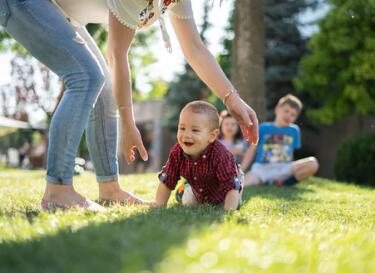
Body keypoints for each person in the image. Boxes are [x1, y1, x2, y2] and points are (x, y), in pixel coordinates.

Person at [0, 0, 258, 210]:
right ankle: (57, 190)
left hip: (60, 11)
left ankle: (110, 189)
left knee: (103, 88)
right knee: (86, 77)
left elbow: (194, 48)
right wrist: (127, 123)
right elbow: (116, 52)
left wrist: (231, 98)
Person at [153, 101, 243, 211]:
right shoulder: (177, 152)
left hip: (225, 189)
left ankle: (187, 188)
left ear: (212, 136)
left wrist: (229, 212)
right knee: (189, 203)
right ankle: (184, 190)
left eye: (195, 130)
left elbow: (231, 187)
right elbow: (167, 180)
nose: (186, 135)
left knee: (230, 204)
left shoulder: (220, 155)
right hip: (198, 189)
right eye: (182, 128)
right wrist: (159, 205)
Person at [241, 94, 319, 186]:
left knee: (313, 163)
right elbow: (251, 150)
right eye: (286, 111)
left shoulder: (294, 130)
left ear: (296, 118)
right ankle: (267, 181)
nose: (288, 116)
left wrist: (292, 169)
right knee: (245, 183)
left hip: (284, 168)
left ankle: (284, 183)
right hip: (262, 168)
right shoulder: (263, 128)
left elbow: (291, 153)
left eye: (293, 115)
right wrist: (242, 169)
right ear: (277, 109)